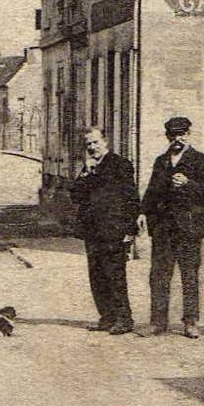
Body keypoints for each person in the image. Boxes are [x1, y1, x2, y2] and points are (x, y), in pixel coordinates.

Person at [140, 116, 204, 338]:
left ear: (188, 134)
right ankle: (157, 322)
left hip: (189, 227)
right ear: (167, 137)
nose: (177, 139)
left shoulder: (200, 160)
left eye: (181, 134)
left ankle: (191, 322)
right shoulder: (161, 161)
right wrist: (143, 212)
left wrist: (189, 184)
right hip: (163, 227)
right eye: (173, 135)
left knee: (189, 276)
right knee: (159, 275)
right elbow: (152, 190)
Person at [70, 127, 140, 335]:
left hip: (113, 229)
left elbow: (131, 198)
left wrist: (129, 229)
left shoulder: (121, 165)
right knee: (97, 274)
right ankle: (107, 316)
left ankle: (124, 318)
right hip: (92, 230)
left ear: (106, 142)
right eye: (88, 144)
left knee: (115, 273)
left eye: (95, 142)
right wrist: (86, 173)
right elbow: (76, 196)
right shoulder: (88, 168)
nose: (92, 148)